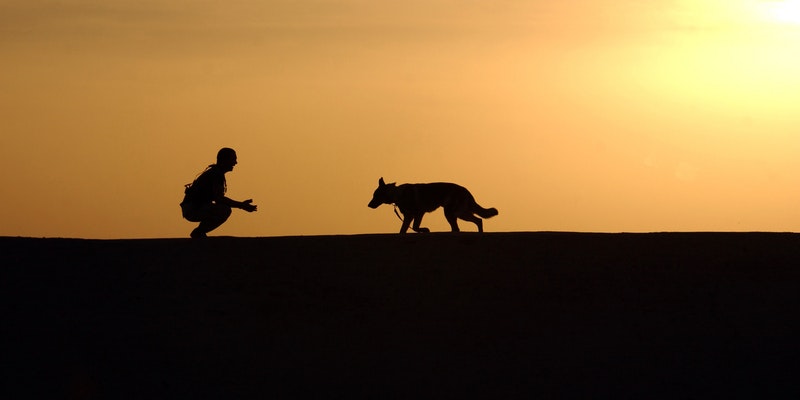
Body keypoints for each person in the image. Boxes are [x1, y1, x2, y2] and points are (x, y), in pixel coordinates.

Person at [180, 148, 257, 238]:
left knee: (223, 208)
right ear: (224, 160)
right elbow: (219, 198)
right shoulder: (216, 174)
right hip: (193, 209)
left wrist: (241, 205)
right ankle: (199, 232)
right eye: (233, 159)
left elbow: (219, 199)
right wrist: (241, 205)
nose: (235, 163)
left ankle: (200, 232)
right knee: (224, 210)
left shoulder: (216, 173)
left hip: (194, 207)